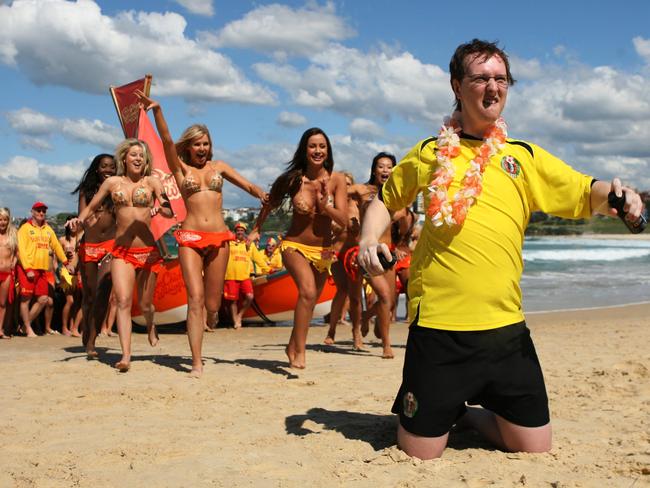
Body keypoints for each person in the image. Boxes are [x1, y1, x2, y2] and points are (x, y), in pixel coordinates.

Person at [358, 39, 645, 460]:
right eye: (481, 78)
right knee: (420, 452)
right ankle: (434, 407)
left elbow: (585, 191)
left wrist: (622, 197)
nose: (493, 87)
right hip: (440, 327)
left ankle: (469, 416)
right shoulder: (430, 153)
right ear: (457, 86)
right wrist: (368, 239)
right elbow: (385, 199)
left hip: (505, 328)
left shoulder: (522, 157)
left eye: (501, 78)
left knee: (534, 446)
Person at [136, 91, 267, 376]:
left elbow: (248, 186)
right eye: (197, 143)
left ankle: (214, 313)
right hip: (191, 237)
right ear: (190, 147)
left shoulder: (219, 168)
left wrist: (260, 193)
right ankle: (196, 361)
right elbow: (167, 141)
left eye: (206, 143)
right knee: (194, 299)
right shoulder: (180, 168)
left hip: (220, 237)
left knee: (212, 303)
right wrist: (157, 111)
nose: (203, 148)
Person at [69, 139, 174, 372]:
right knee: (123, 301)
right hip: (122, 252)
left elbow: (168, 209)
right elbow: (91, 207)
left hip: (147, 252)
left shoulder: (152, 182)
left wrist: (160, 208)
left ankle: (150, 324)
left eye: (142, 155)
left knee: (146, 304)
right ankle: (126, 355)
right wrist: (79, 220)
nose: (138, 158)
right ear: (124, 158)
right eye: (134, 154)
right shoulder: (113, 184)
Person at [250, 127, 348, 369]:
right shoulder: (294, 179)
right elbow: (270, 204)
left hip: (324, 250)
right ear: (305, 149)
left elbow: (344, 220)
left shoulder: (338, 180)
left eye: (322, 146)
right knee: (306, 292)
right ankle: (301, 351)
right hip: (295, 244)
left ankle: (292, 345)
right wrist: (256, 229)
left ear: (328, 150)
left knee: (310, 300)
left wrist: (325, 206)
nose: (317, 150)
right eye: (312, 146)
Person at [349, 152, 400, 359]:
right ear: (374, 169)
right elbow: (340, 189)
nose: (385, 170)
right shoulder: (363, 190)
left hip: (389, 252)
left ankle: (365, 317)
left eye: (389, 167)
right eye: (381, 166)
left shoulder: (398, 193)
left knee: (391, 302)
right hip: (370, 252)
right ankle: (387, 346)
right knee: (385, 297)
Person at [71, 153, 117, 357]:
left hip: (111, 244)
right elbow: (83, 214)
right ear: (97, 169)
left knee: (103, 293)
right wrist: (81, 223)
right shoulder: (87, 190)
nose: (108, 170)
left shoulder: (118, 188)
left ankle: (92, 340)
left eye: (112, 167)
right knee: (89, 295)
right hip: (89, 244)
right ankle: (87, 330)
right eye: (105, 166)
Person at [16, 202, 71, 337]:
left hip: (42, 270)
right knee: (26, 299)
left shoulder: (48, 229)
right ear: (32, 212)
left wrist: (65, 262)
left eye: (43, 211)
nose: (41, 213)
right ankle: (28, 328)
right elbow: (21, 250)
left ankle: (24, 326)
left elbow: (57, 246)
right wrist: (27, 268)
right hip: (27, 268)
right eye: (39, 210)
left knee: (44, 299)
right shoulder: (25, 228)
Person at [323, 172, 364, 350]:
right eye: (342, 185)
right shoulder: (333, 206)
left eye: (349, 184)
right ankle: (331, 329)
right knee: (341, 291)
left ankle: (357, 332)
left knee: (355, 297)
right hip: (337, 254)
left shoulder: (358, 206)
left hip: (354, 254)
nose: (346, 188)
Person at [223, 222, 255, 329]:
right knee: (233, 301)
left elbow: (258, 258)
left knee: (250, 297)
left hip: (245, 276)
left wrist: (267, 269)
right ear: (235, 232)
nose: (240, 232)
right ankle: (235, 321)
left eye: (242, 230)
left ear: (245, 232)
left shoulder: (249, 244)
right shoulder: (229, 243)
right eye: (238, 230)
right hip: (231, 276)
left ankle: (239, 315)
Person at [58, 215, 82, 337]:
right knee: (70, 300)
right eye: (71, 224)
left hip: (78, 272)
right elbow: (57, 256)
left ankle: (73, 327)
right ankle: (64, 327)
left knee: (77, 301)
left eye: (75, 224)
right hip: (66, 272)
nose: (73, 227)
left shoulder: (80, 238)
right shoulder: (62, 240)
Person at [0, 207, 18, 338]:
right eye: (0, 219)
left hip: (6, 272)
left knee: (3, 303)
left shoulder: (13, 234)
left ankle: (0, 329)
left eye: (5, 219)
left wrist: (14, 262)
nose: (2, 222)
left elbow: (17, 253)